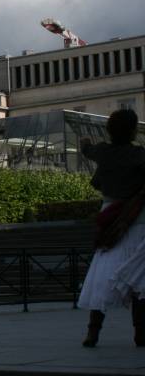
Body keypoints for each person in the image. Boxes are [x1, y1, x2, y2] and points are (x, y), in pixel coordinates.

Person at [78, 109, 145, 347]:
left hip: (110, 221)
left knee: (102, 278)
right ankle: (140, 332)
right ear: (133, 129)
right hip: (136, 221)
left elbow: (87, 149)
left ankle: (93, 332)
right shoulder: (139, 154)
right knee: (139, 280)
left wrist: (85, 142)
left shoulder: (103, 152)